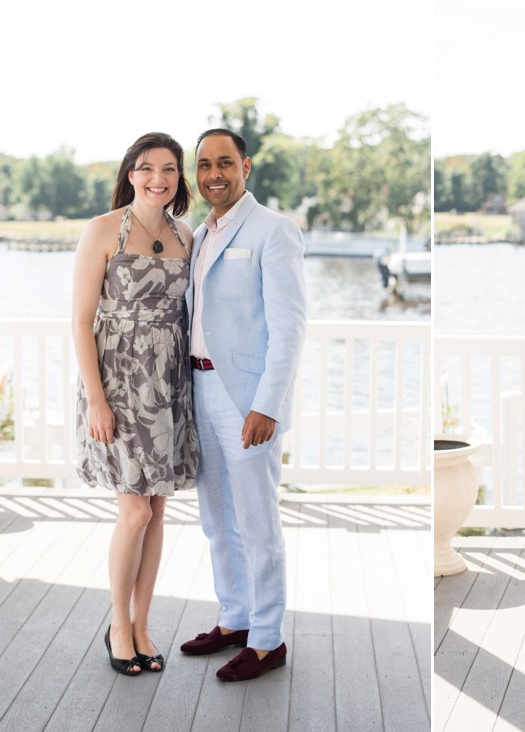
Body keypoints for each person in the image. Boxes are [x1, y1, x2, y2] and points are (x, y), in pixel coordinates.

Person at [179, 128, 307, 682]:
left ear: (246, 166)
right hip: (198, 388)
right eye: (204, 164)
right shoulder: (197, 232)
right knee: (216, 519)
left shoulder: (274, 230)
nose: (214, 174)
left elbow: (290, 327)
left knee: (257, 523)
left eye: (224, 162)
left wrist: (268, 405)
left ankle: (268, 638)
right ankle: (234, 618)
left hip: (247, 399)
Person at [73, 132, 198, 675]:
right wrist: (96, 401)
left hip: (169, 384)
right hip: (118, 385)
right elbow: (80, 321)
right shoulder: (102, 230)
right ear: (130, 173)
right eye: (147, 168)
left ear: (178, 178)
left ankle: (143, 624)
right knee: (135, 511)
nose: (158, 178)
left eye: (169, 169)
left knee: (159, 509)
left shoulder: (185, 234)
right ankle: (117, 625)